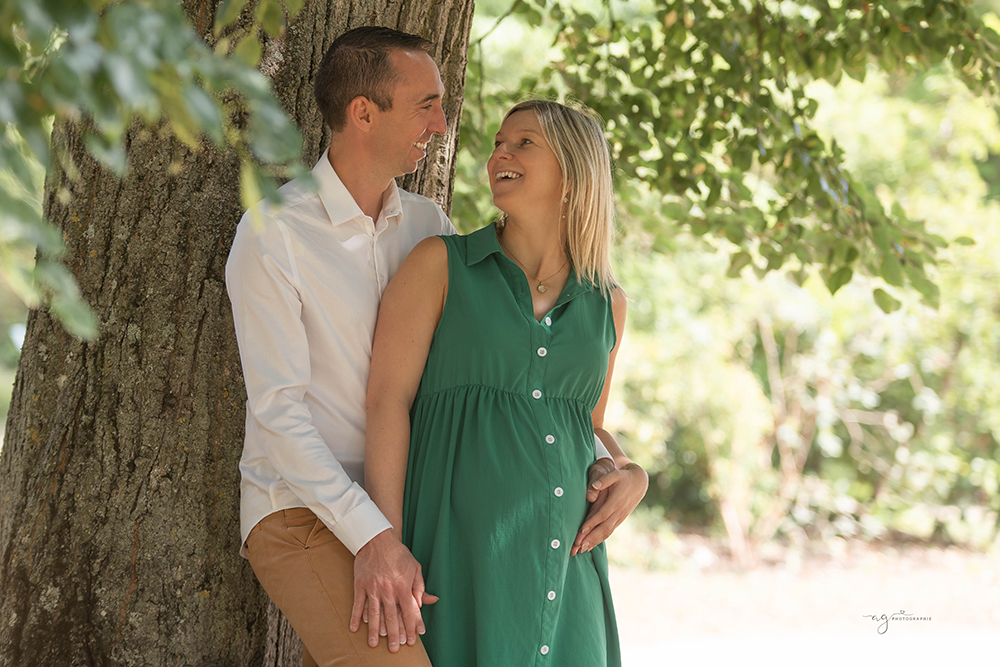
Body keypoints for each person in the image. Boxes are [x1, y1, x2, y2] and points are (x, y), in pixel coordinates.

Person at [365, 99, 649, 666]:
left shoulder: (607, 305)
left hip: (565, 572)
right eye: (498, 142)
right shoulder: (440, 266)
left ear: (573, 173)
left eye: (523, 143)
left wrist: (629, 474)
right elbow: (386, 404)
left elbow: (587, 426)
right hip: (456, 561)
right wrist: (385, 542)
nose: (500, 153)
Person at [226, 27, 453, 667]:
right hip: (296, 511)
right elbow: (278, 411)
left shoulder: (431, 228)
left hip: (402, 509)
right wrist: (371, 535)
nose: (441, 122)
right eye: (425, 104)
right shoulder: (275, 234)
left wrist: (601, 454)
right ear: (362, 112)